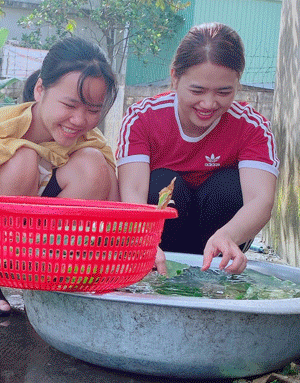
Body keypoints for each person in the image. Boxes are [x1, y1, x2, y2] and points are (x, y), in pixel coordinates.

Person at [0, 36, 119, 317]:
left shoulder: (92, 141)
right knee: (23, 158)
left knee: (94, 163)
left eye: (92, 110)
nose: (80, 120)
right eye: (69, 105)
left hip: (35, 246)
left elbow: (117, 212)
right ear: (40, 89)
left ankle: (48, 273)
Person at [116, 22, 279, 275]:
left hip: (220, 233)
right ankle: (159, 264)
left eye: (224, 91)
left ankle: (216, 266)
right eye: (197, 90)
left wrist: (227, 235)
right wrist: (144, 239)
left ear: (237, 84)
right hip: (162, 236)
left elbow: (260, 200)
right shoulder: (141, 118)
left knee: (227, 186)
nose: (209, 103)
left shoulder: (253, 126)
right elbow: (132, 190)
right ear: (174, 78)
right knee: (164, 183)